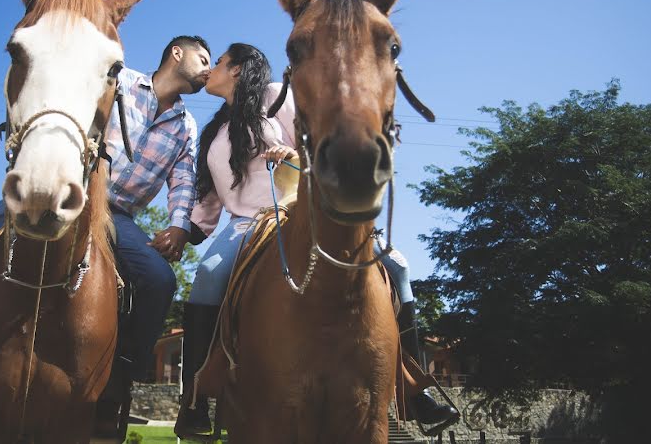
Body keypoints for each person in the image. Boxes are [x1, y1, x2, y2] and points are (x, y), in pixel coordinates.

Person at [0, 35, 212, 408]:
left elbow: (184, 179)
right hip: (65, 190)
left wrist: (177, 226)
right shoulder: (120, 82)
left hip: (118, 216)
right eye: (203, 58)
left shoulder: (187, 125)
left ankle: (119, 382)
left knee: (160, 280)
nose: (209, 69)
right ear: (177, 53)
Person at [173, 43, 456, 438]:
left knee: (400, 266)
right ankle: (195, 400)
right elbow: (208, 198)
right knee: (206, 273)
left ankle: (413, 390)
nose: (210, 70)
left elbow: (314, 142)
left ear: (237, 69)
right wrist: (183, 232)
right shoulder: (214, 131)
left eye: (217, 62)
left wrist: (289, 152)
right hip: (244, 225)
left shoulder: (274, 97)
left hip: (301, 210)